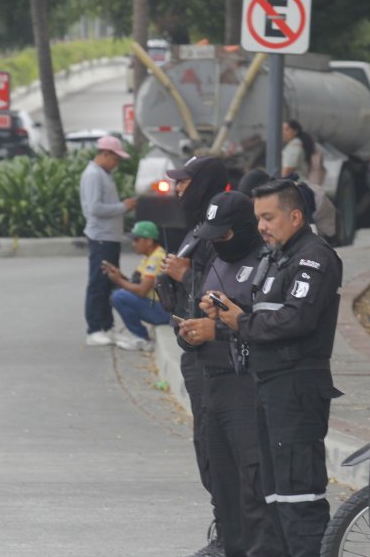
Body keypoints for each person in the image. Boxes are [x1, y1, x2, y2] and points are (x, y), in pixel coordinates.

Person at [202, 179, 344, 557]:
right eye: (258, 218)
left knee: (299, 497)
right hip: (268, 386)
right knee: (275, 496)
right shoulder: (279, 257)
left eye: (269, 217)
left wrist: (240, 322)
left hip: (296, 387)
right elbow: (264, 317)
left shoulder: (314, 258)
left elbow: (296, 320)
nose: (262, 226)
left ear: (295, 216)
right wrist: (227, 314)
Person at [178, 191, 285, 557]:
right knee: (221, 481)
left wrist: (221, 329)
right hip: (212, 383)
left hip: (247, 385)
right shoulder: (215, 260)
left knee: (252, 485)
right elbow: (198, 311)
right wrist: (192, 332)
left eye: (223, 235)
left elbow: (271, 326)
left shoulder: (268, 263)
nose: (218, 243)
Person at [156, 155, 230, 557]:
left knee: (217, 447)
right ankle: (226, 527)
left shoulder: (223, 230)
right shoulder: (195, 229)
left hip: (216, 351)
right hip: (194, 351)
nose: (178, 188)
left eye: (185, 182)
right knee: (205, 445)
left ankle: (230, 534)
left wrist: (186, 276)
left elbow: (226, 288)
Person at [80, 135, 136, 346]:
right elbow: (94, 208)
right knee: (98, 283)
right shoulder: (94, 175)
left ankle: (106, 326)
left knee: (108, 283)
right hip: (101, 236)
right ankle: (94, 329)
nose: (116, 163)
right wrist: (124, 207)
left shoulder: (103, 174)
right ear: (105, 154)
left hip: (109, 236)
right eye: (115, 158)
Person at [101, 220, 168, 352]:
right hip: (158, 306)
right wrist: (119, 276)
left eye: (137, 240)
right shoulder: (149, 256)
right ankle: (140, 336)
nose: (133, 244)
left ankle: (142, 339)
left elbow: (142, 291)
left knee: (119, 296)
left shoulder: (156, 258)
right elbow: (137, 283)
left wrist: (119, 281)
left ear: (149, 241)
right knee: (120, 293)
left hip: (163, 311)